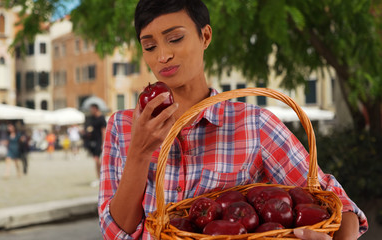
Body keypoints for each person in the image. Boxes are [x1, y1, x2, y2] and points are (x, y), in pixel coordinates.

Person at [98, 1, 368, 239]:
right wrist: (139, 152)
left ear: (205, 36)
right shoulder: (122, 126)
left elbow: (340, 205)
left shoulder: (255, 125)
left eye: (175, 38)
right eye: (149, 46)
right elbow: (117, 231)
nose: (162, 56)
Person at [84, 104, 107, 183]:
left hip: (99, 142)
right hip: (94, 142)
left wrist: (103, 143)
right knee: (96, 160)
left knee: (98, 160)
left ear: (95, 109)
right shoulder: (93, 118)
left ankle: (101, 177)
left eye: (91, 109)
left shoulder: (101, 118)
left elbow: (104, 131)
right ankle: (99, 177)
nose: (90, 111)